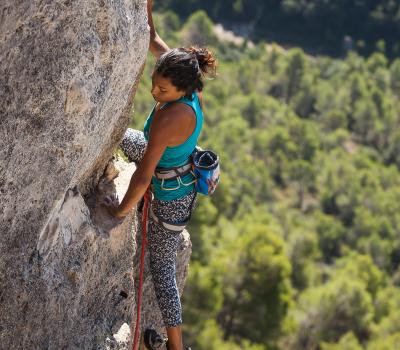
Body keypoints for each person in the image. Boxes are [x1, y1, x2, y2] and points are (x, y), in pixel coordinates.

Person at [103, 1, 217, 349]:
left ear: (182, 90)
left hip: (171, 198)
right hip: (174, 164)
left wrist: (119, 212)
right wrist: (146, 6)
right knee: (115, 132)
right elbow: (151, 37)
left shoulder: (171, 118)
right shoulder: (186, 76)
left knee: (163, 269)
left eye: (162, 91)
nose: (155, 92)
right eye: (155, 84)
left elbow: (143, 177)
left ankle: (176, 345)